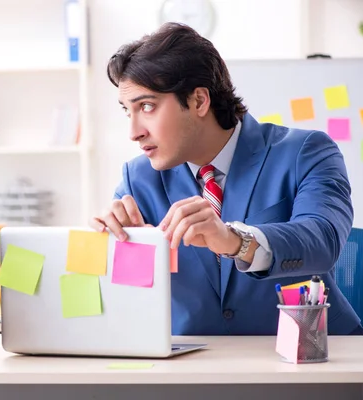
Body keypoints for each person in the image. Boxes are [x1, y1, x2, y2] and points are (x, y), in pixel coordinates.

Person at [90, 22, 363, 335]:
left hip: (313, 358)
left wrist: (236, 241)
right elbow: (131, 304)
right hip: (199, 366)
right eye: (128, 111)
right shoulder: (139, 179)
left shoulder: (306, 152)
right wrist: (126, 249)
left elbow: (323, 241)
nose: (134, 131)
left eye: (147, 106)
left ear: (199, 101)